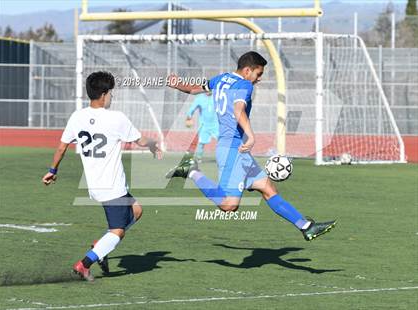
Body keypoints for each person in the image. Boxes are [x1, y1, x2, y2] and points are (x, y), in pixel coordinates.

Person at [166, 51, 336, 241]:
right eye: (258, 74)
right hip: (232, 150)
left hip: (237, 149)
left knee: (268, 188)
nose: (259, 79)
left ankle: (306, 227)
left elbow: (195, 89)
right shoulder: (244, 84)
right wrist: (251, 135)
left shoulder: (221, 79)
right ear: (248, 70)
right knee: (229, 205)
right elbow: (238, 111)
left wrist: (177, 84)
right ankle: (191, 171)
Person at [42, 71, 162, 281]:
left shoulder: (77, 116)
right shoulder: (116, 117)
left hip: (95, 185)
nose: (112, 97)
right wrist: (153, 145)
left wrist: (52, 170)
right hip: (112, 186)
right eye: (111, 93)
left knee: (137, 210)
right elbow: (141, 141)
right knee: (117, 232)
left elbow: (62, 147)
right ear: (104, 94)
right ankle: (85, 263)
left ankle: (101, 246)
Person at [185, 92, 219, 162]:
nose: (208, 90)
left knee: (222, 141)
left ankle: (223, 157)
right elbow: (192, 108)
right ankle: (198, 158)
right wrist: (189, 116)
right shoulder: (200, 98)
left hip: (216, 124)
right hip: (204, 125)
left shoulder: (216, 97)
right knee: (201, 143)